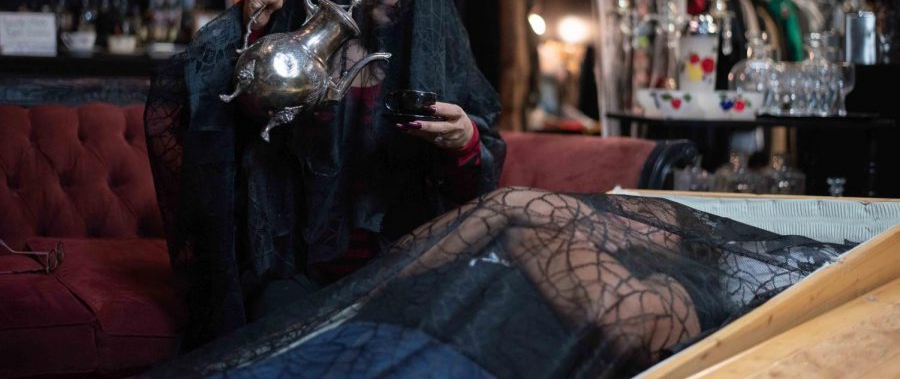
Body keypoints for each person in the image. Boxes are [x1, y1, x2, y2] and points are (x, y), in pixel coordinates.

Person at [144, 0, 506, 350]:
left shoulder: (428, 58)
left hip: (402, 272)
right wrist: (248, 21)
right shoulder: (289, 37)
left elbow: (474, 190)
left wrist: (466, 143)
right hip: (291, 275)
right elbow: (193, 110)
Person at [142, 188, 850, 379]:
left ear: (674, 242)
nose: (613, 210)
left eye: (644, 214)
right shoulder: (536, 222)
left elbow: (631, 323)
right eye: (623, 204)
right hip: (370, 320)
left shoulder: (680, 295)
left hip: (456, 356)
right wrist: (501, 212)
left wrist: (517, 221)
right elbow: (389, 265)